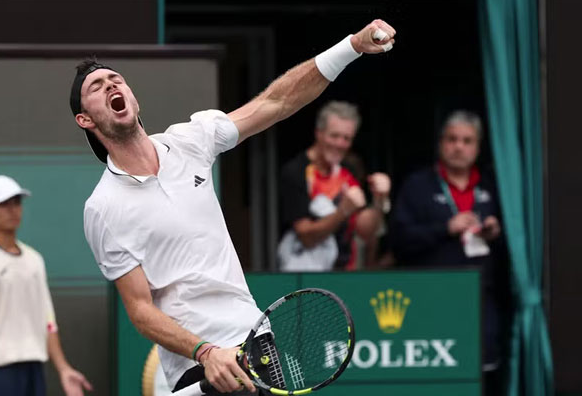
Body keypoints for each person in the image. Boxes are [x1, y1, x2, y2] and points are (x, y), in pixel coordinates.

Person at [72, 20, 396, 395]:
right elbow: (140, 311)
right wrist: (206, 352)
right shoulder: (103, 208)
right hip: (193, 364)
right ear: (86, 119)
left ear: (133, 97)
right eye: (96, 86)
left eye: (116, 79)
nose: (111, 84)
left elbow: (276, 102)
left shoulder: (190, 141)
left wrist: (351, 46)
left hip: (252, 338)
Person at [389, 111, 508, 394]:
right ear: (441, 143)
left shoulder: (495, 185)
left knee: (483, 374)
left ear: (478, 147)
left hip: (481, 297)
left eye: (467, 141)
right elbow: (398, 241)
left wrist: (495, 232)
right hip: (428, 300)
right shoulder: (418, 185)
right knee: (435, 378)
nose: (459, 146)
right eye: (452, 139)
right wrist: (445, 227)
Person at [0, 175, 92, 396]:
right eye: (3, 204)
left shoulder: (34, 260)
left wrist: (63, 368)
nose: (12, 210)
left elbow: (47, 320)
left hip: (33, 368)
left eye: (16, 202)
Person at [278, 101, 391, 272]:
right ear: (319, 133)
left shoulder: (349, 169)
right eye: (334, 136)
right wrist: (342, 213)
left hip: (345, 272)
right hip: (304, 276)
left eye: (346, 138)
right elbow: (306, 236)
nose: (340, 144)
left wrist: (379, 199)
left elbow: (365, 230)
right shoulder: (296, 171)